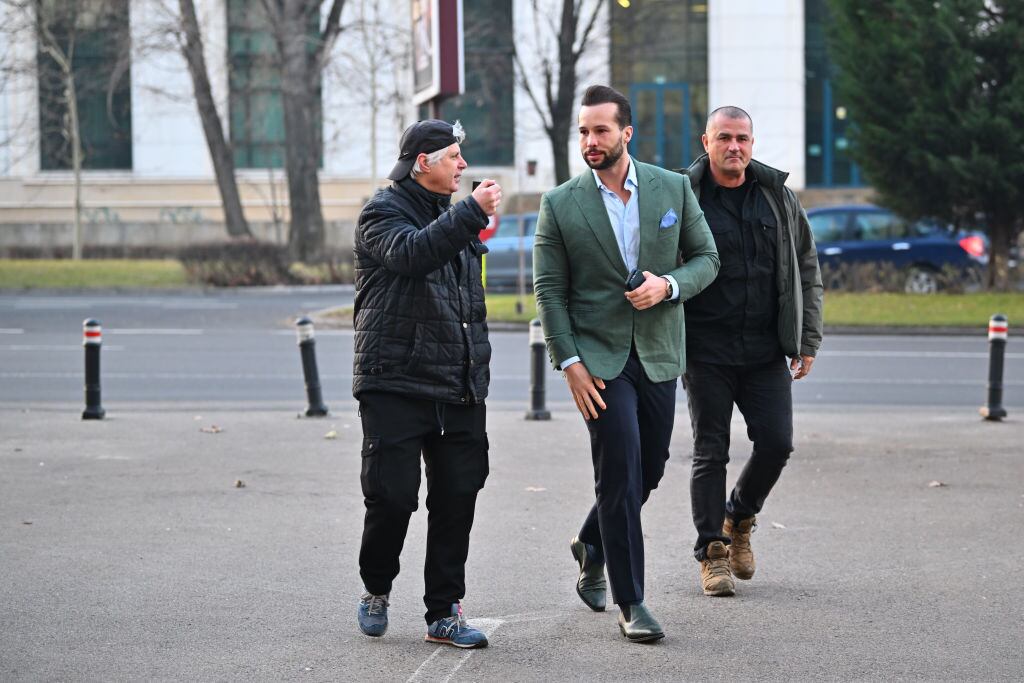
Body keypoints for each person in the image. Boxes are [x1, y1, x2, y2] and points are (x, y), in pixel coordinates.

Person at [533, 85, 719, 642]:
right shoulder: (560, 203)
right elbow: (549, 291)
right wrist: (569, 361)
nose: (590, 141)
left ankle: (591, 542)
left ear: (626, 133)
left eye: (601, 130)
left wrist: (668, 286)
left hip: (658, 353)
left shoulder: (672, 188)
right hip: (598, 360)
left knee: (650, 467)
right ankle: (631, 602)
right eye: (583, 132)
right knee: (618, 471)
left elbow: (707, 259)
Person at [351, 119, 502, 649]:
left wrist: (476, 367)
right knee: (392, 498)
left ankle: (444, 612)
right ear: (423, 163)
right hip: (395, 381)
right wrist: (471, 212)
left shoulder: (454, 218)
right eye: (454, 156)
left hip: (458, 385)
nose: (463, 165)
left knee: (458, 498)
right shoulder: (382, 212)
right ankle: (376, 587)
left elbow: (466, 303)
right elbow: (413, 254)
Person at [681, 106, 823, 597]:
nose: (734, 146)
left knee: (777, 443)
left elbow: (806, 267)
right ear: (706, 142)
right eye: (724, 137)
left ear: (752, 143)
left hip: (764, 349)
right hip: (705, 349)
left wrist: (807, 338)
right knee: (710, 450)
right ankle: (712, 552)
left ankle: (738, 517)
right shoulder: (686, 196)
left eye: (742, 138)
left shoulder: (778, 197)